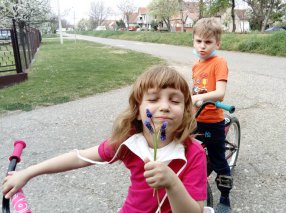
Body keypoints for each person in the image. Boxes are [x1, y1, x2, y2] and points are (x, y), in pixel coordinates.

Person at [2, 66, 207, 213]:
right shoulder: (128, 143)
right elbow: (80, 157)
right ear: (137, 112)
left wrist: (172, 183)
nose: (164, 106)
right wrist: (28, 172)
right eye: (153, 99)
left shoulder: (193, 153)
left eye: (174, 100)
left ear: (185, 111)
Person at [191, 17, 233, 213]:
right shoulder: (196, 65)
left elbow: (219, 92)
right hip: (195, 118)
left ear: (217, 43)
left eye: (208, 42)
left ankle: (225, 198)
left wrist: (198, 99)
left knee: (218, 160)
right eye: (199, 41)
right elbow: (195, 90)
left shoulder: (219, 62)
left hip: (212, 120)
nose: (202, 46)